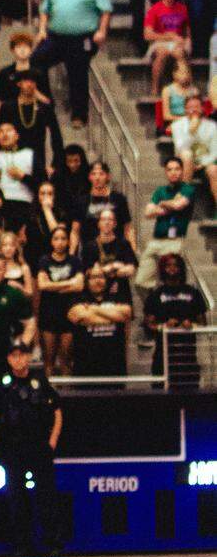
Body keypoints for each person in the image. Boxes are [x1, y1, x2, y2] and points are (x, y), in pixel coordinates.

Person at [0, 341, 65, 557]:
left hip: (39, 447)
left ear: (28, 357)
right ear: (8, 359)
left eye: (22, 355)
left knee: (46, 497)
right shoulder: (2, 386)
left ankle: (53, 544)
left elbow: (57, 413)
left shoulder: (40, 381)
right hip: (13, 448)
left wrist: (52, 441)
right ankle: (22, 545)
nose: (18, 359)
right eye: (14, 355)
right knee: (17, 498)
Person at [33, 0, 112, 127]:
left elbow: (105, 10)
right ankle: (46, 102)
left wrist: (102, 31)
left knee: (77, 72)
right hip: (56, 37)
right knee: (36, 60)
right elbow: (45, 10)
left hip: (82, 38)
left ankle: (79, 115)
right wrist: (42, 30)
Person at [138, 157, 195, 312]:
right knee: (141, 281)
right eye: (170, 169)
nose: (173, 172)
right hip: (156, 240)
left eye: (177, 169)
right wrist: (168, 204)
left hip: (175, 240)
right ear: (165, 172)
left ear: (182, 171)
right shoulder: (160, 191)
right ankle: (154, 310)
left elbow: (179, 205)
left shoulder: (187, 189)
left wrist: (162, 204)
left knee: (170, 282)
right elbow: (148, 212)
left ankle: (168, 312)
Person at [144, 252, 208, 388]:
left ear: (181, 268)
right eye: (168, 265)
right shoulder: (156, 294)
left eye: (176, 265)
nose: (172, 268)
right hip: (163, 357)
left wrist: (191, 325)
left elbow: (203, 323)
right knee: (163, 400)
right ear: (162, 269)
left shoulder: (193, 292)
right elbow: (149, 324)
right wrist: (164, 326)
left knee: (190, 398)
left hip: (187, 356)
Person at [35, 224, 84, 377]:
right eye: (56, 238)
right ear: (51, 241)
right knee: (48, 361)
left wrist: (53, 286)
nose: (60, 242)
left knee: (66, 360)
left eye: (63, 238)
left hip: (69, 312)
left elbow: (80, 286)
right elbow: (42, 285)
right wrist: (69, 283)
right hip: (48, 313)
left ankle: (67, 397)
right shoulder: (44, 260)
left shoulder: (75, 261)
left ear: (68, 241)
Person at [68, 266, 133, 377]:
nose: (97, 281)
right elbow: (80, 317)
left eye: (101, 277)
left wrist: (94, 309)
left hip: (114, 365)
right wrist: (113, 317)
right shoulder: (77, 298)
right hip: (85, 366)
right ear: (87, 281)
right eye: (93, 277)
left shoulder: (118, 297)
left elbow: (126, 315)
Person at [143, 0, 191, 98]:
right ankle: (155, 88)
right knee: (162, 53)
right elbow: (147, 35)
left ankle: (184, 87)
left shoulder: (182, 9)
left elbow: (187, 32)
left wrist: (186, 42)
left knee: (179, 53)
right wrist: (168, 36)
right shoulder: (155, 9)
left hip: (177, 43)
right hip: (159, 42)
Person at [170, 95, 217, 206]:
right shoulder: (177, 125)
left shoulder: (212, 126)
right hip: (184, 161)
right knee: (187, 155)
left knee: (214, 169)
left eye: (197, 107)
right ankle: (183, 198)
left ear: (202, 109)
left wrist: (202, 164)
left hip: (205, 162)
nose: (194, 110)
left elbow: (215, 151)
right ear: (185, 110)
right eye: (190, 107)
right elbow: (180, 148)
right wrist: (191, 131)